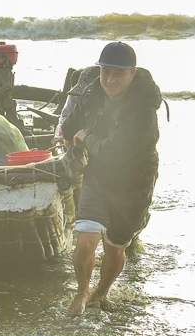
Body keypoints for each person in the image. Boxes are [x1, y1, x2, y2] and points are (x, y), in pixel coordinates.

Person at [60, 42, 162, 317]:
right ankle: (81, 293)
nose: (110, 80)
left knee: (114, 245)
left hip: (134, 183)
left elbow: (113, 152)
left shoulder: (143, 111)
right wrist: (70, 132)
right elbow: (71, 124)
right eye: (105, 71)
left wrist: (85, 137)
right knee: (85, 240)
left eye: (118, 73)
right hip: (99, 177)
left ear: (133, 73)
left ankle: (101, 292)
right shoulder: (95, 90)